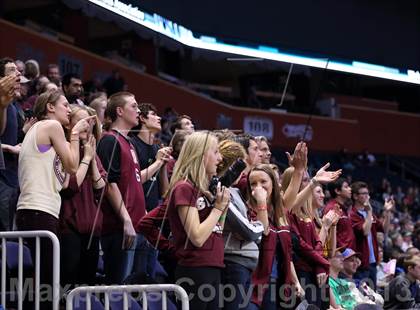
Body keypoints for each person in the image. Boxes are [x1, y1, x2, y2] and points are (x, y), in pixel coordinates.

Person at [15, 89, 93, 308]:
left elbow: (67, 181)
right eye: (65, 105)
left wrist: (81, 151)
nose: (69, 110)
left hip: (41, 211)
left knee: (43, 281)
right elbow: (71, 165)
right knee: (44, 283)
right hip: (37, 210)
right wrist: (75, 135)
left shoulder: (47, 133)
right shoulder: (51, 126)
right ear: (50, 107)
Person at [166, 131, 230, 310]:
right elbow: (197, 237)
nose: (220, 158)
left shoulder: (202, 190)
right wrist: (217, 208)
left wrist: (222, 209)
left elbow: (217, 229)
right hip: (194, 269)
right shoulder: (184, 188)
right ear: (200, 154)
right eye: (216, 152)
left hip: (213, 266)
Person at [96, 91, 146, 284]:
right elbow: (109, 184)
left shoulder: (129, 143)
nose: (138, 110)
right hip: (120, 228)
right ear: (119, 111)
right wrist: (126, 220)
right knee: (119, 291)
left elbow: (133, 182)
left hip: (134, 226)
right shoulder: (110, 140)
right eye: (133, 106)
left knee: (130, 293)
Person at [282, 163, 342, 309]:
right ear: (293, 183)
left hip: (316, 272)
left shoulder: (307, 213)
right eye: (304, 180)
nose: (309, 183)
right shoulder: (288, 212)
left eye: (309, 180)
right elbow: (302, 246)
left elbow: (318, 245)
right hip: (301, 272)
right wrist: (323, 263)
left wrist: (321, 266)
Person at [59, 105, 106, 287]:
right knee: (68, 281)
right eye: (81, 121)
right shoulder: (64, 150)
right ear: (70, 126)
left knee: (87, 284)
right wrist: (86, 157)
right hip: (69, 226)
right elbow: (70, 187)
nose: (86, 126)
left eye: (89, 121)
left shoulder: (91, 152)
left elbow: (101, 190)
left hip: (92, 227)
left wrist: (91, 158)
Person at [217, 140, 264, 310]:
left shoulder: (235, 191)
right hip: (233, 263)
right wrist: (257, 226)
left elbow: (251, 229)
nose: (243, 171)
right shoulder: (221, 191)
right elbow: (250, 231)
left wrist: (253, 227)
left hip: (244, 265)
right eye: (241, 165)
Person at [350, 181, 394, 289]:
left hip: (373, 263)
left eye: (367, 193)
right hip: (360, 265)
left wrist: (387, 212)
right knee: (363, 297)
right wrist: (369, 211)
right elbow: (365, 231)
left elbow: (384, 229)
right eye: (363, 193)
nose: (367, 196)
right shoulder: (352, 214)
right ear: (355, 196)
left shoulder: (370, 214)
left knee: (373, 295)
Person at [324, 178, 356, 250]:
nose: (350, 189)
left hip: (349, 252)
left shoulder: (343, 208)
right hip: (340, 255)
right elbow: (329, 234)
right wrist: (343, 250)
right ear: (337, 191)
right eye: (346, 187)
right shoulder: (331, 209)